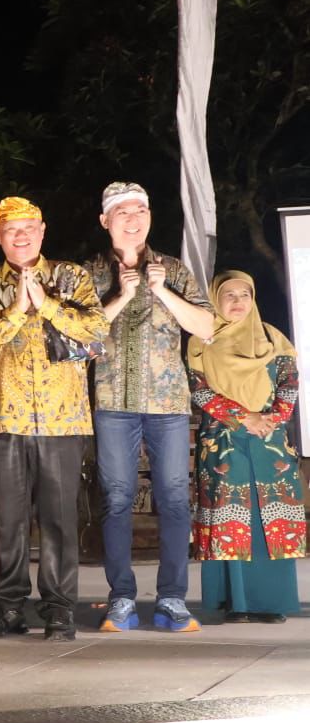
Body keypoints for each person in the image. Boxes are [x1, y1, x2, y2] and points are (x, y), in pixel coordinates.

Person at [0, 198, 108, 641]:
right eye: (11, 229)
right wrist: (14, 311)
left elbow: (96, 329)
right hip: (7, 417)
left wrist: (44, 304)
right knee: (9, 521)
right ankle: (8, 607)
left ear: (42, 231)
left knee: (59, 520)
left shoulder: (70, 277)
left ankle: (59, 608)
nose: (21, 236)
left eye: (29, 228)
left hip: (63, 418)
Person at [84, 182, 213, 633]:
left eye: (141, 209)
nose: (133, 218)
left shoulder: (172, 269)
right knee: (117, 499)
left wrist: (164, 292)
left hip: (168, 402)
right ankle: (121, 598)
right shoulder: (88, 273)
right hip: (112, 402)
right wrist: (120, 295)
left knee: (175, 498)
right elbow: (77, 335)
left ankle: (172, 600)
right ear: (106, 221)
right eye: (122, 211)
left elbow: (206, 326)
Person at [188, 271, 306, 623]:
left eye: (245, 294)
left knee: (270, 517)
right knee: (230, 516)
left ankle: (272, 602)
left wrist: (273, 418)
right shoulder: (202, 338)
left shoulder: (271, 337)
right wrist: (243, 418)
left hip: (270, 440)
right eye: (229, 294)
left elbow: (289, 380)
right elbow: (199, 388)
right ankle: (235, 602)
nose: (238, 301)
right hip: (223, 439)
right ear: (215, 299)